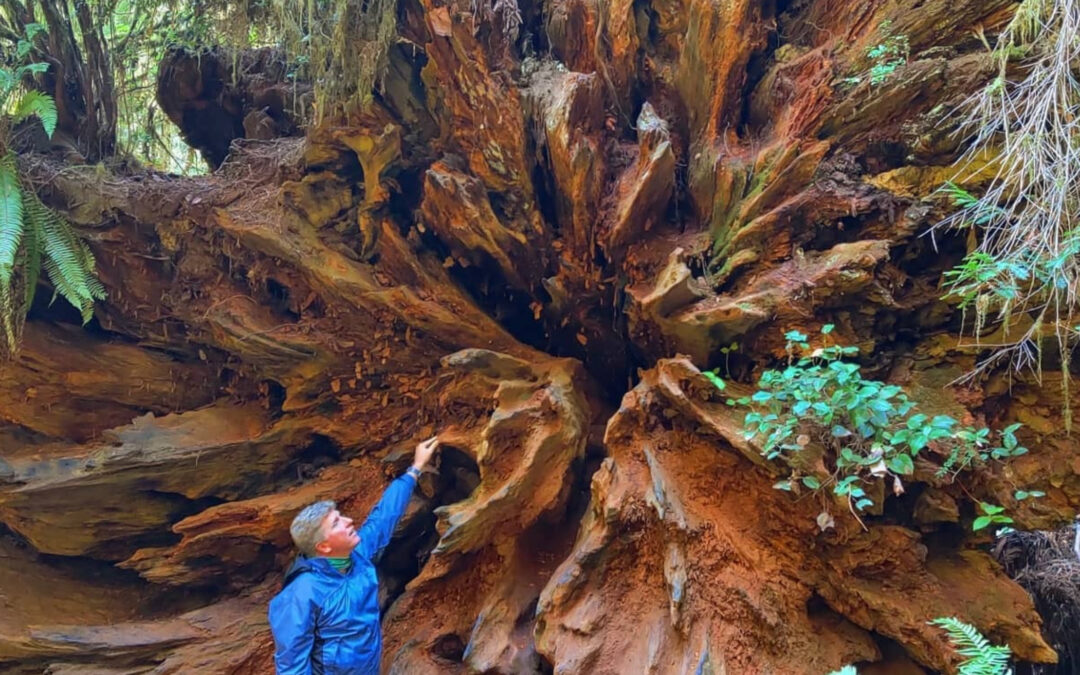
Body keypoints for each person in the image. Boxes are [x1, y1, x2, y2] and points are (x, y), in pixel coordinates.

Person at [268, 436, 439, 674]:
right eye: (337, 523)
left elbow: (383, 518)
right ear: (324, 547)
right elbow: (291, 666)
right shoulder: (302, 594)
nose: (349, 522)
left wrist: (414, 469)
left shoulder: (357, 556)